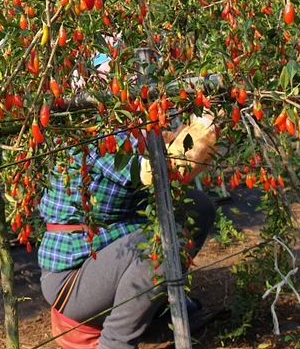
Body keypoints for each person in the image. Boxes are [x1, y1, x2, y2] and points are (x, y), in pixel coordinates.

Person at [38, 120, 217, 349]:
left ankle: (157, 309)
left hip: (106, 259)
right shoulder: (97, 131)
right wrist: (203, 131)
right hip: (73, 279)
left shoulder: (131, 126)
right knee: (162, 243)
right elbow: (155, 172)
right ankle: (116, 343)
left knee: (197, 206)